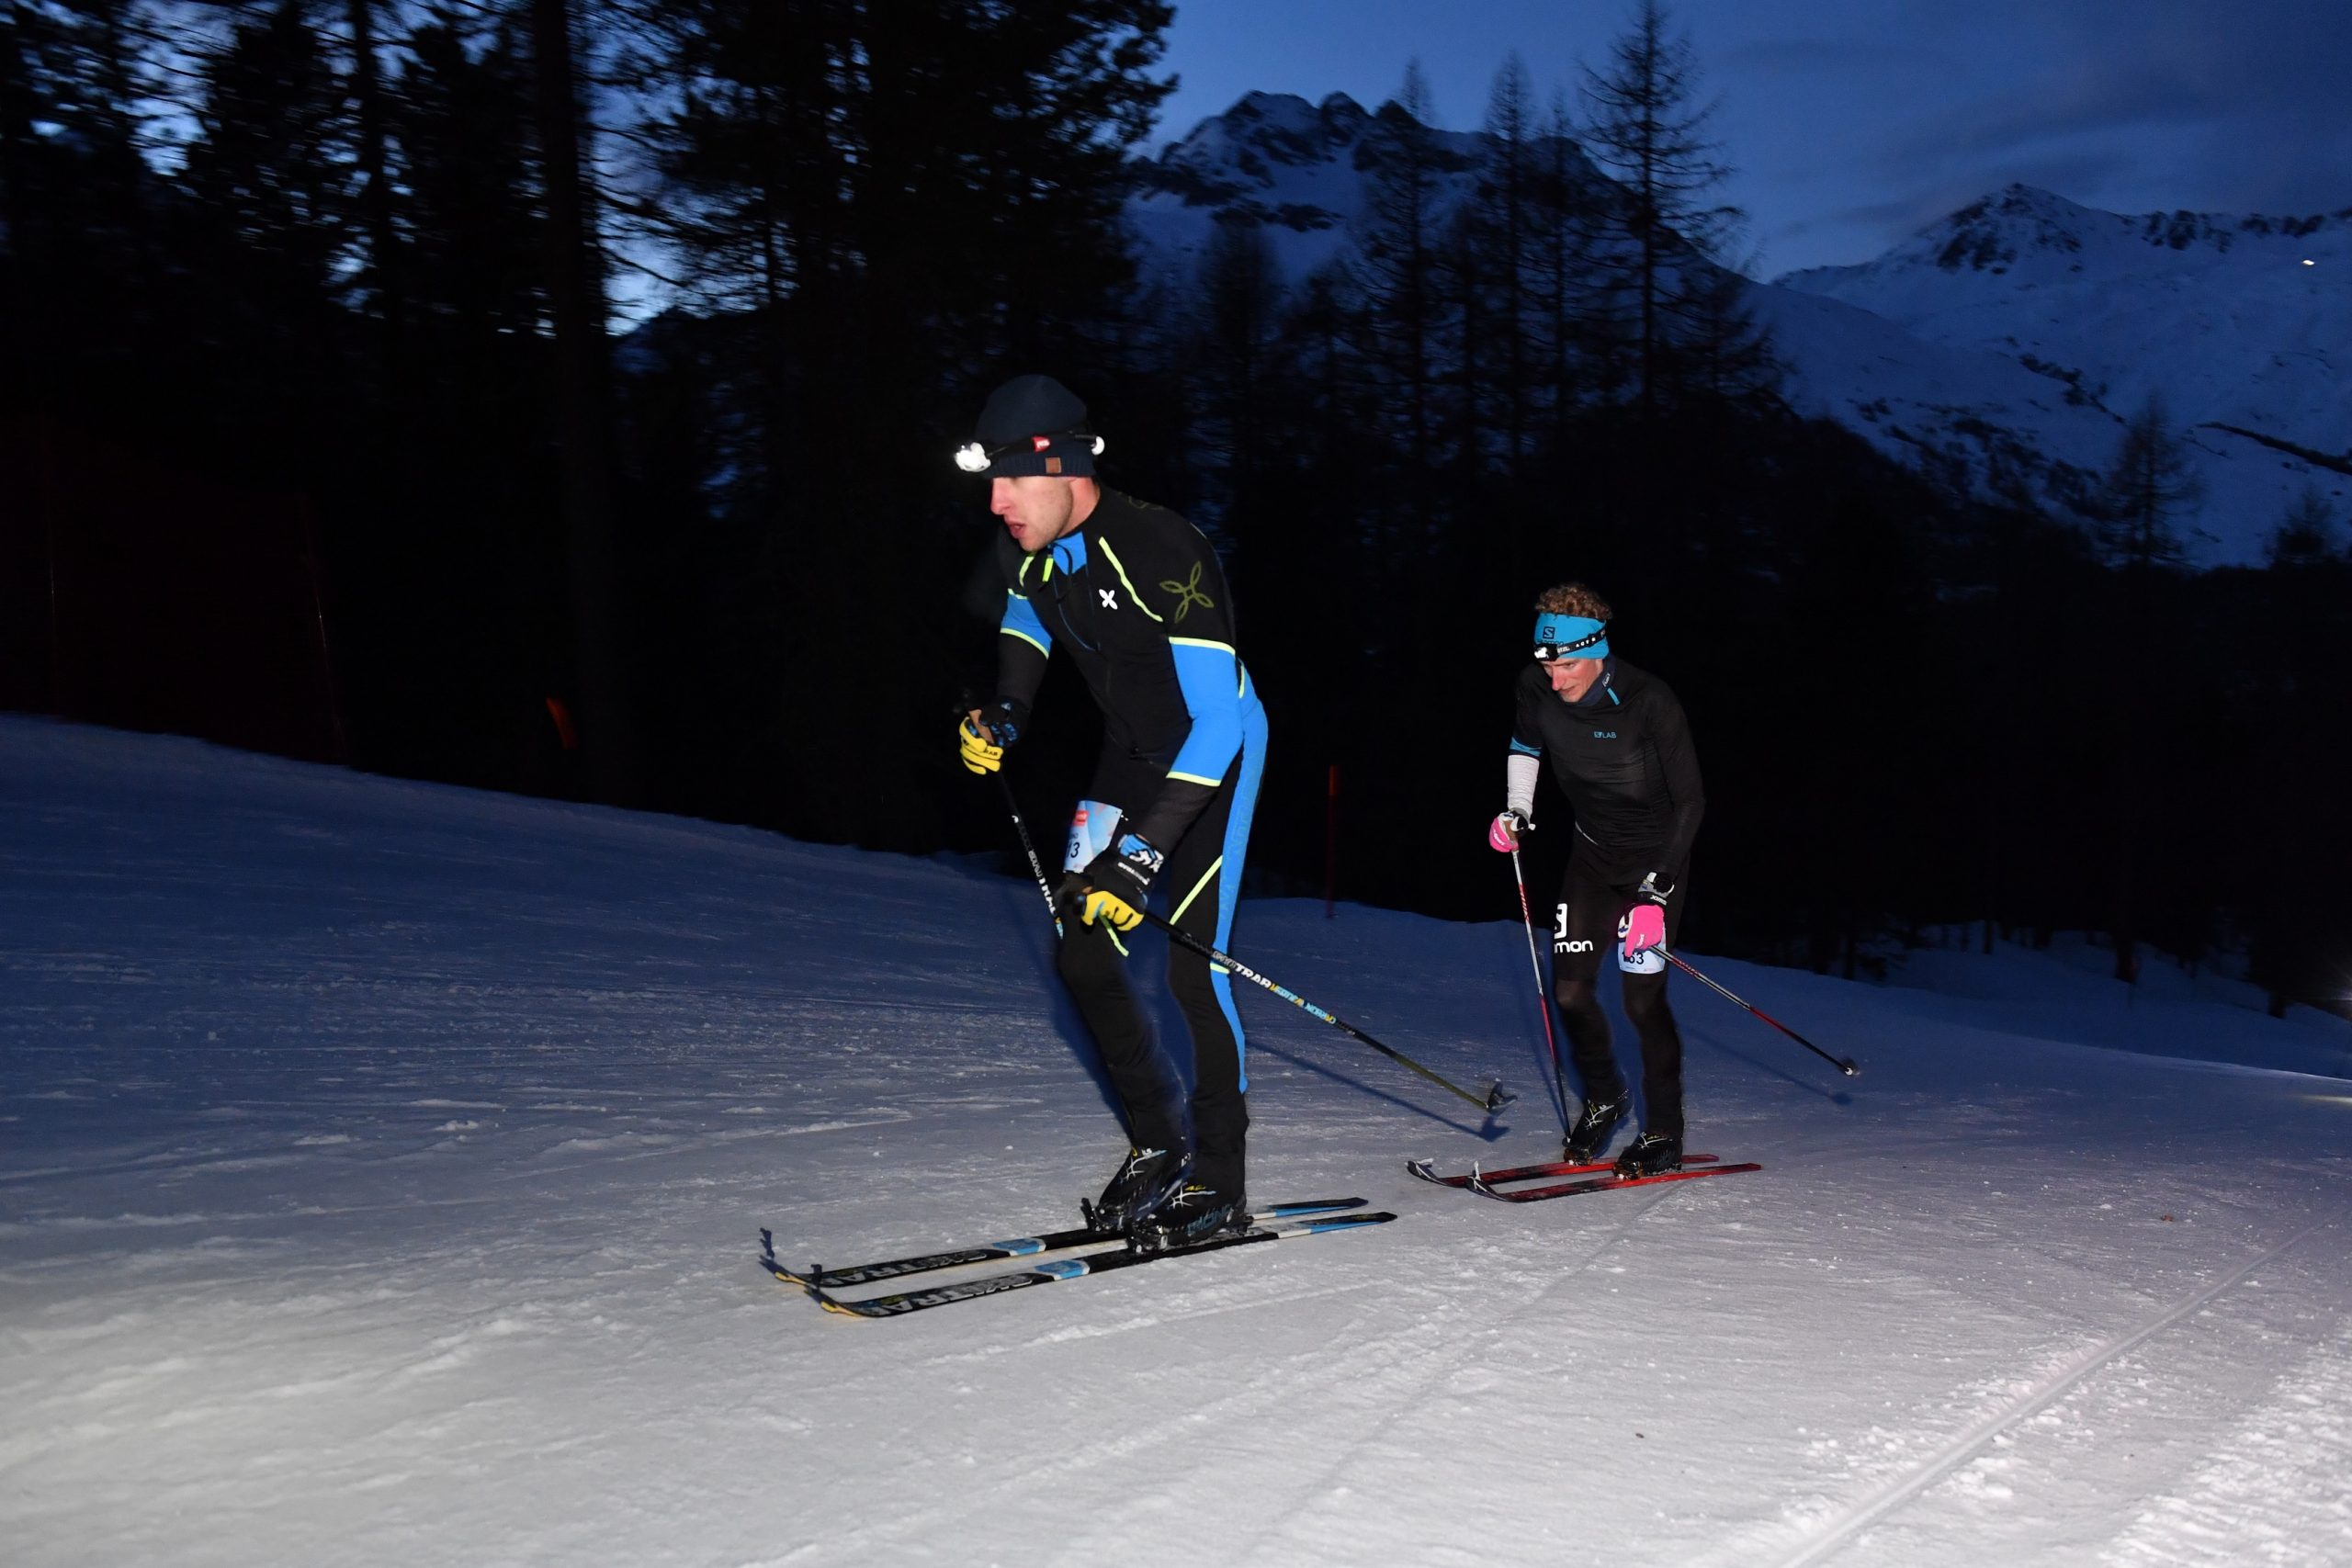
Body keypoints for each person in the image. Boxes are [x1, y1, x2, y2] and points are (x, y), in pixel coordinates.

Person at [955, 373, 1269, 1247]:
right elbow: (1026, 621)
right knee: (1084, 957)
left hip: (1216, 756)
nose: (996, 502)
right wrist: (1007, 712)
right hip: (1128, 757)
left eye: (1012, 479)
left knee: (1192, 974)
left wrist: (1140, 857)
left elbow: (1213, 721)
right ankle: (1158, 1144)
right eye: (991, 481)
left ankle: (1220, 1180)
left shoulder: (1165, 548)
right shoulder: (1029, 545)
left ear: (1063, 466)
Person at [1487, 583, 1704, 1177]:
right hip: (1591, 859)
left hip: (1655, 867)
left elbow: (1690, 803)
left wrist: (1657, 890)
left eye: (1567, 667)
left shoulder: (1647, 699)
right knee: (1569, 991)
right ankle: (1606, 1097)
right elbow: (1524, 744)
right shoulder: (1536, 684)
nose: (1555, 680)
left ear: (1598, 651)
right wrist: (1518, 811)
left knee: (1642, 1001)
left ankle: (1664, 1132)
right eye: (1547, 665)